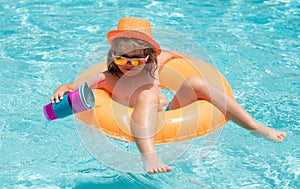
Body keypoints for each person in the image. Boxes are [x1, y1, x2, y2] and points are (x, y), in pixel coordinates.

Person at [50, 17, 286, 174]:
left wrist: (201, 66)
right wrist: (63, 87)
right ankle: (149, 156)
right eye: (121, 58)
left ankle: (256, 127)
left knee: (195, 81)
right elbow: (76, 86)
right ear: (112, 55)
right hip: (134, 126)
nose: (129, 64)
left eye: (137, 58)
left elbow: (174, 56)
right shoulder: (107, 77)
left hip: (167, 115)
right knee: (147, 97)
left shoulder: (154, 65)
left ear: (150, 56)